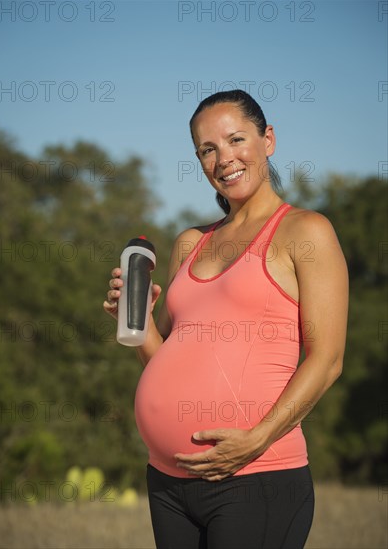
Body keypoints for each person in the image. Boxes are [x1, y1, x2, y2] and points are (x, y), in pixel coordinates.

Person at [103, 90, 349, 549]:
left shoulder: (305, 231)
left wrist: (255, 440)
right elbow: (169, 361)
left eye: (236, 140)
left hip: (254, 476)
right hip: (168, 482)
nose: (223, 159)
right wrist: (136, 325)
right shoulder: (189, 242)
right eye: (207, 149)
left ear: (268, 139)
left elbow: (327, 360)